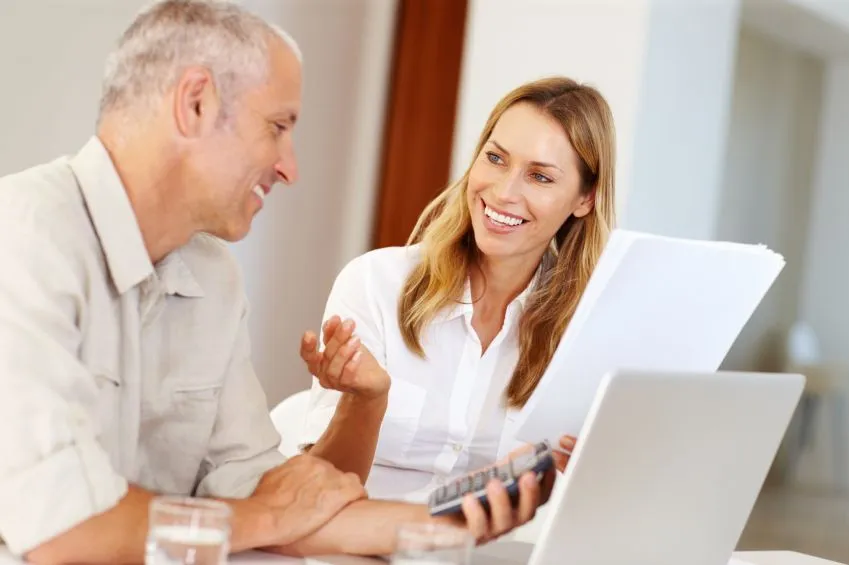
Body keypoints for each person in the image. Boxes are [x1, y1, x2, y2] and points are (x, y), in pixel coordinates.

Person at [0, 1, 550, 563]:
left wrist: (451, 520)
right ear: (195, 104)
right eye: (278, 127)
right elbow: (61, 530)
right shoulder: (21, 239)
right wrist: (263, 516)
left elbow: (263, 491)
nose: (290, 167)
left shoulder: (213, 278)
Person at [300, 76, 616, 502]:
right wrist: (366, 402)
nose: (504, 193)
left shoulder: (590, 330)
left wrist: (591, 480)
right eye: (496, 158)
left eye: (540, 177)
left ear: (585, 199)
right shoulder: (376, 284)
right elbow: (318, 491)